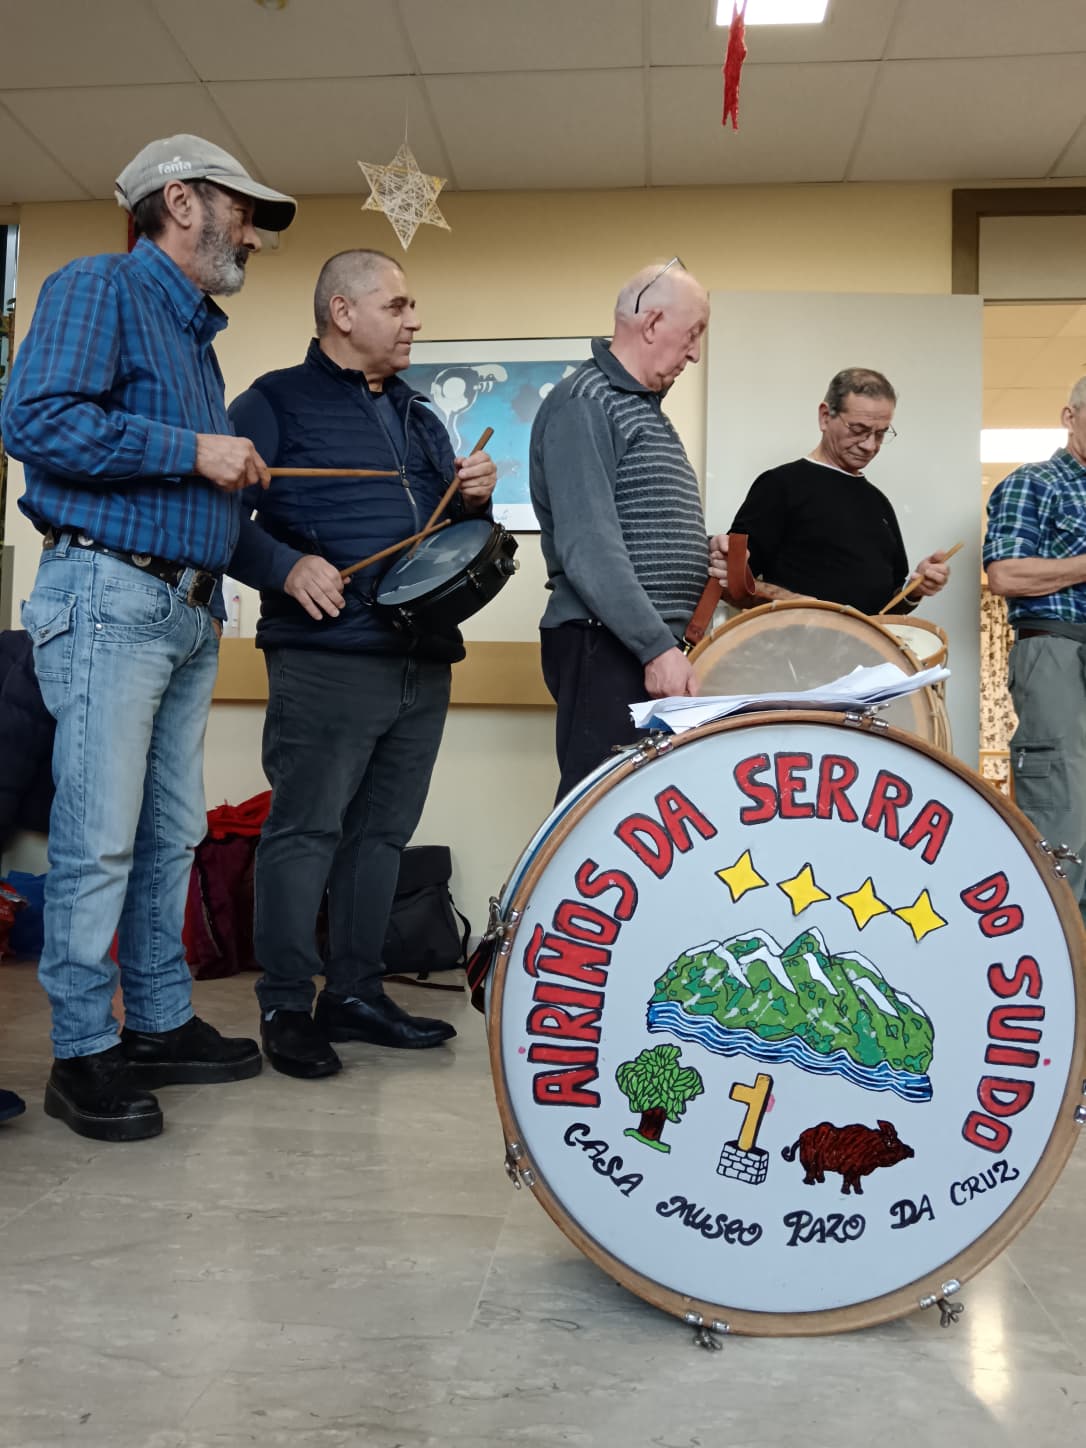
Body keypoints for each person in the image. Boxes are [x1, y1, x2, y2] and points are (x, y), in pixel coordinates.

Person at [0, 135, 304, 1142]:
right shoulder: (98, 284)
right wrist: (193, 447)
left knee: (171, 833)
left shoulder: (193, 341)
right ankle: (84, 1050)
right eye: (242, 209)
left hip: (183, 610)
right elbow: (34, 420)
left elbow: (196, 501)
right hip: (106, 595)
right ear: (180, 200)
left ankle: (162, 1022)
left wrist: (279, 561)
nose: (252, 233)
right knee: (100, 836)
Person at [228, 249, 497, 1080]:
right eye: (400, 305)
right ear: (344, 313)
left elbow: (435, 532)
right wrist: (284, 567)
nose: (415, 320)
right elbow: (214, 515)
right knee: (306, 829)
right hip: (326, 657)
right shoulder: (272, 400)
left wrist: (475, 497)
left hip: (422, 657)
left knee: (382, 834)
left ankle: (353, 992)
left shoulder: (419, 415)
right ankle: (283, 1000)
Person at [529, 258, 726, 799]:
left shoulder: (640, 409)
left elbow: (629, 529)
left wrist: (695, 553)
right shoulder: (586, 402)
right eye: (693, 334)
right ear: (653, 322)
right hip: (609, 645)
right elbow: (588, 547)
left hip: (640, 646)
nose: (695, 352)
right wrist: (654, 648)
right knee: (599, 813)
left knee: (643, 820)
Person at [722, 368, 951, 615]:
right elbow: (731, 582)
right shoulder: (780, 485)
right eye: (858, 430)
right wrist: (806, 608)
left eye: (881, 433)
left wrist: (914, 589)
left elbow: (889, 608)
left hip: (869, 652)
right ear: (824, 416)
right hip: (794, 650)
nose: (869, 445)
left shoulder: (878, 503)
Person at [985, 376, 1086, 926]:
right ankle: (1062, 969)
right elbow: (1004, 573)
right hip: (1058, 648)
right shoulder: (1036, 483)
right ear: (1070, 416)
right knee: (1063, 821)